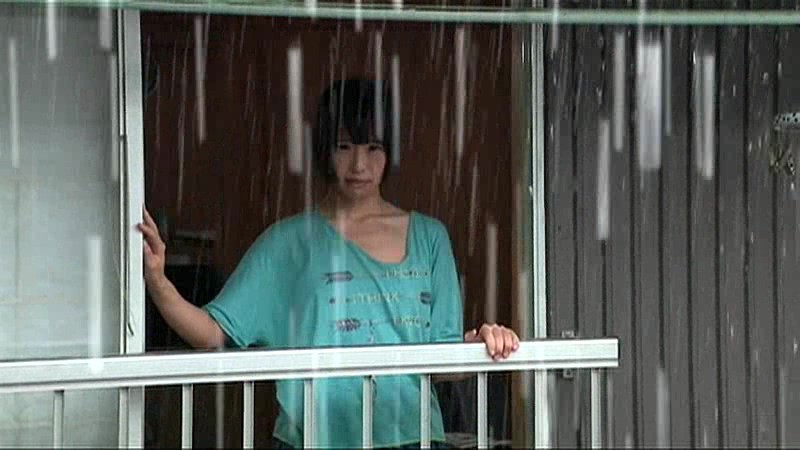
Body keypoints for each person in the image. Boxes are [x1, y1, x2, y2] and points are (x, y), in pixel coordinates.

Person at [138, 78, 519, 448]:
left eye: (373, 147)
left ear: (390, 151)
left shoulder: (430, 238)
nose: (359, 165)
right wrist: (158, 281)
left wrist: (483, 343)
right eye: (344, 146)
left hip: (414, 438)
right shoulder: (287, 243)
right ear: (324, 149)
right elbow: (213, 335)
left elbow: (444, 360)